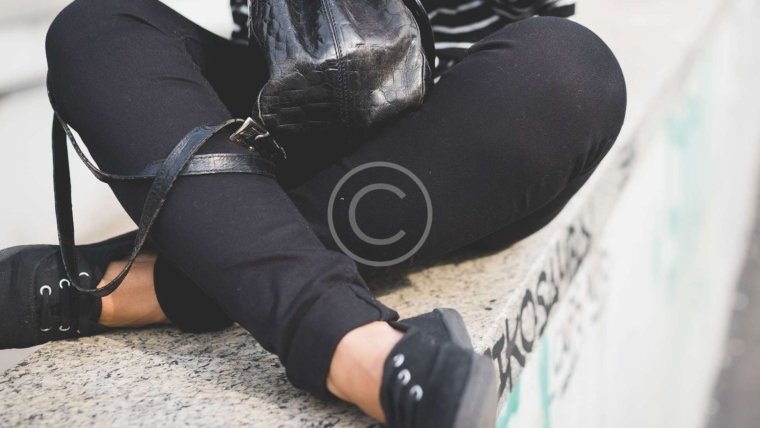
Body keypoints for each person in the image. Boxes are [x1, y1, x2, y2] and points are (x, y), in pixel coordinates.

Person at [0, 0, 626, 426]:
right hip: (280, 124)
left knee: (570, 73)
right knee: (97, 27)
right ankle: (358, 351)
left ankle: (152, 285)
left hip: (449, 149)